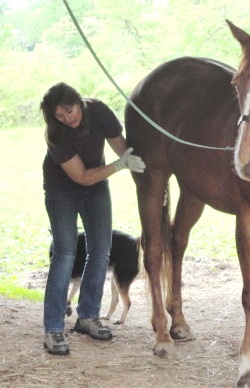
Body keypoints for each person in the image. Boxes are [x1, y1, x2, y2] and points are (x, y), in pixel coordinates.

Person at [40, 82, 145, 355]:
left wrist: (138, 169)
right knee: (64, 253)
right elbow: (82, 177)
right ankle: (53, 328)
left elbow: (123, 148)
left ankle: (87, 316)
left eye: (70, 111)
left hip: (96, 186)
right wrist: (118, 166)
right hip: (62, 188)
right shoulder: (55, 133)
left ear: (79, 103)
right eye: (60, 116)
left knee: (100, 250)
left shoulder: (98, 111)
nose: (67, 119)